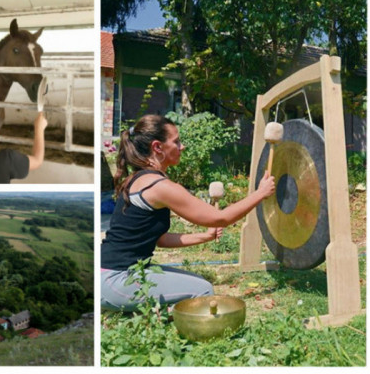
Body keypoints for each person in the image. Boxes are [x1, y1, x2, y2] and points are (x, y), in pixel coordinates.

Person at [101, 114, 276, 311]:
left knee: (197, 283)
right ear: (158, 147)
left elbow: (160, 239)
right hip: (115, 279)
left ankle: (151, 312)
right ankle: (155, 319)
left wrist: (205, 236)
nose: (182, 147)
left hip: (112, 273)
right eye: (176, 142)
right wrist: (260, 193)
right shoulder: (159, 186)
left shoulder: (138, 179)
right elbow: (221, 217)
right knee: (202, 291)